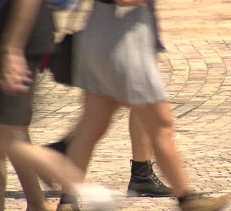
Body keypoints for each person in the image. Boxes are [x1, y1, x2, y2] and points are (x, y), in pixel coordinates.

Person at [54, 0, 231, 210]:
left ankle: (68, 202)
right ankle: (187, 198)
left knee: (91, 126)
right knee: (161, 125)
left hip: (96, 37)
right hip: (125, 43)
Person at [0, 1, 116, 210]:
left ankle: (65, 175)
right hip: (8, 36)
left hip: (12, 37)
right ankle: (43, 195)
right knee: (2, 136)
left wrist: (11, 49)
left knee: (1, 136)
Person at [46, 0, 172, 198]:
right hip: (121, 36)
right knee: (150, 114)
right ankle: (182, 195)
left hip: (130, 31)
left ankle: (64, 163)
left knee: (98, 118)